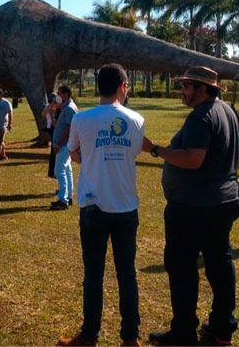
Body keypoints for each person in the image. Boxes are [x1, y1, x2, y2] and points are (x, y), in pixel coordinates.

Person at [143, 66, 239, 346]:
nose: (183, 91)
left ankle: (184, 332)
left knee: (182, 268)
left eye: (187, 86)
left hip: (194, 207)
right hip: (223, 202)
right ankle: (223, 328)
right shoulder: (228, 111)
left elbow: (193, 159)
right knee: (220, 264)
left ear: (203, 88)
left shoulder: (202, 116)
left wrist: (154, 149)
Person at [57, 64, 144, 347]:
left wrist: (92, 156)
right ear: (122, 86)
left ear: (99, 87)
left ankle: (90, 335)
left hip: (93, 206)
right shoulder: (137, 120)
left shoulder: (83, 119)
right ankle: (130, 338)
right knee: (126, 275)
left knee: (93, 275)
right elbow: (131, 153)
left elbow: (73, 152)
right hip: (126, 207)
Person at [50, 85, 80, 210]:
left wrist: (59, 144)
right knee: (66, 169)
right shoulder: (66, 107)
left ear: (66, 94)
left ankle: (63, 200)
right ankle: (68, 197)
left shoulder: (68, 108)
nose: (58, 96)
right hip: (65, 144)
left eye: (60, 93)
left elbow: (69, 129)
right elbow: (60, 125)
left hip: (64, 145)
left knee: (59, 170)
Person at [43, 92, 60, 178]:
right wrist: (52, 105)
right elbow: (44, 114)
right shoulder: (49, 107)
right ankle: (52, 172)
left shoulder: (57, 107)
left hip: (53, 128)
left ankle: (53, 171)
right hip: (52, 129)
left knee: (55, 150)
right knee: (54, 151)